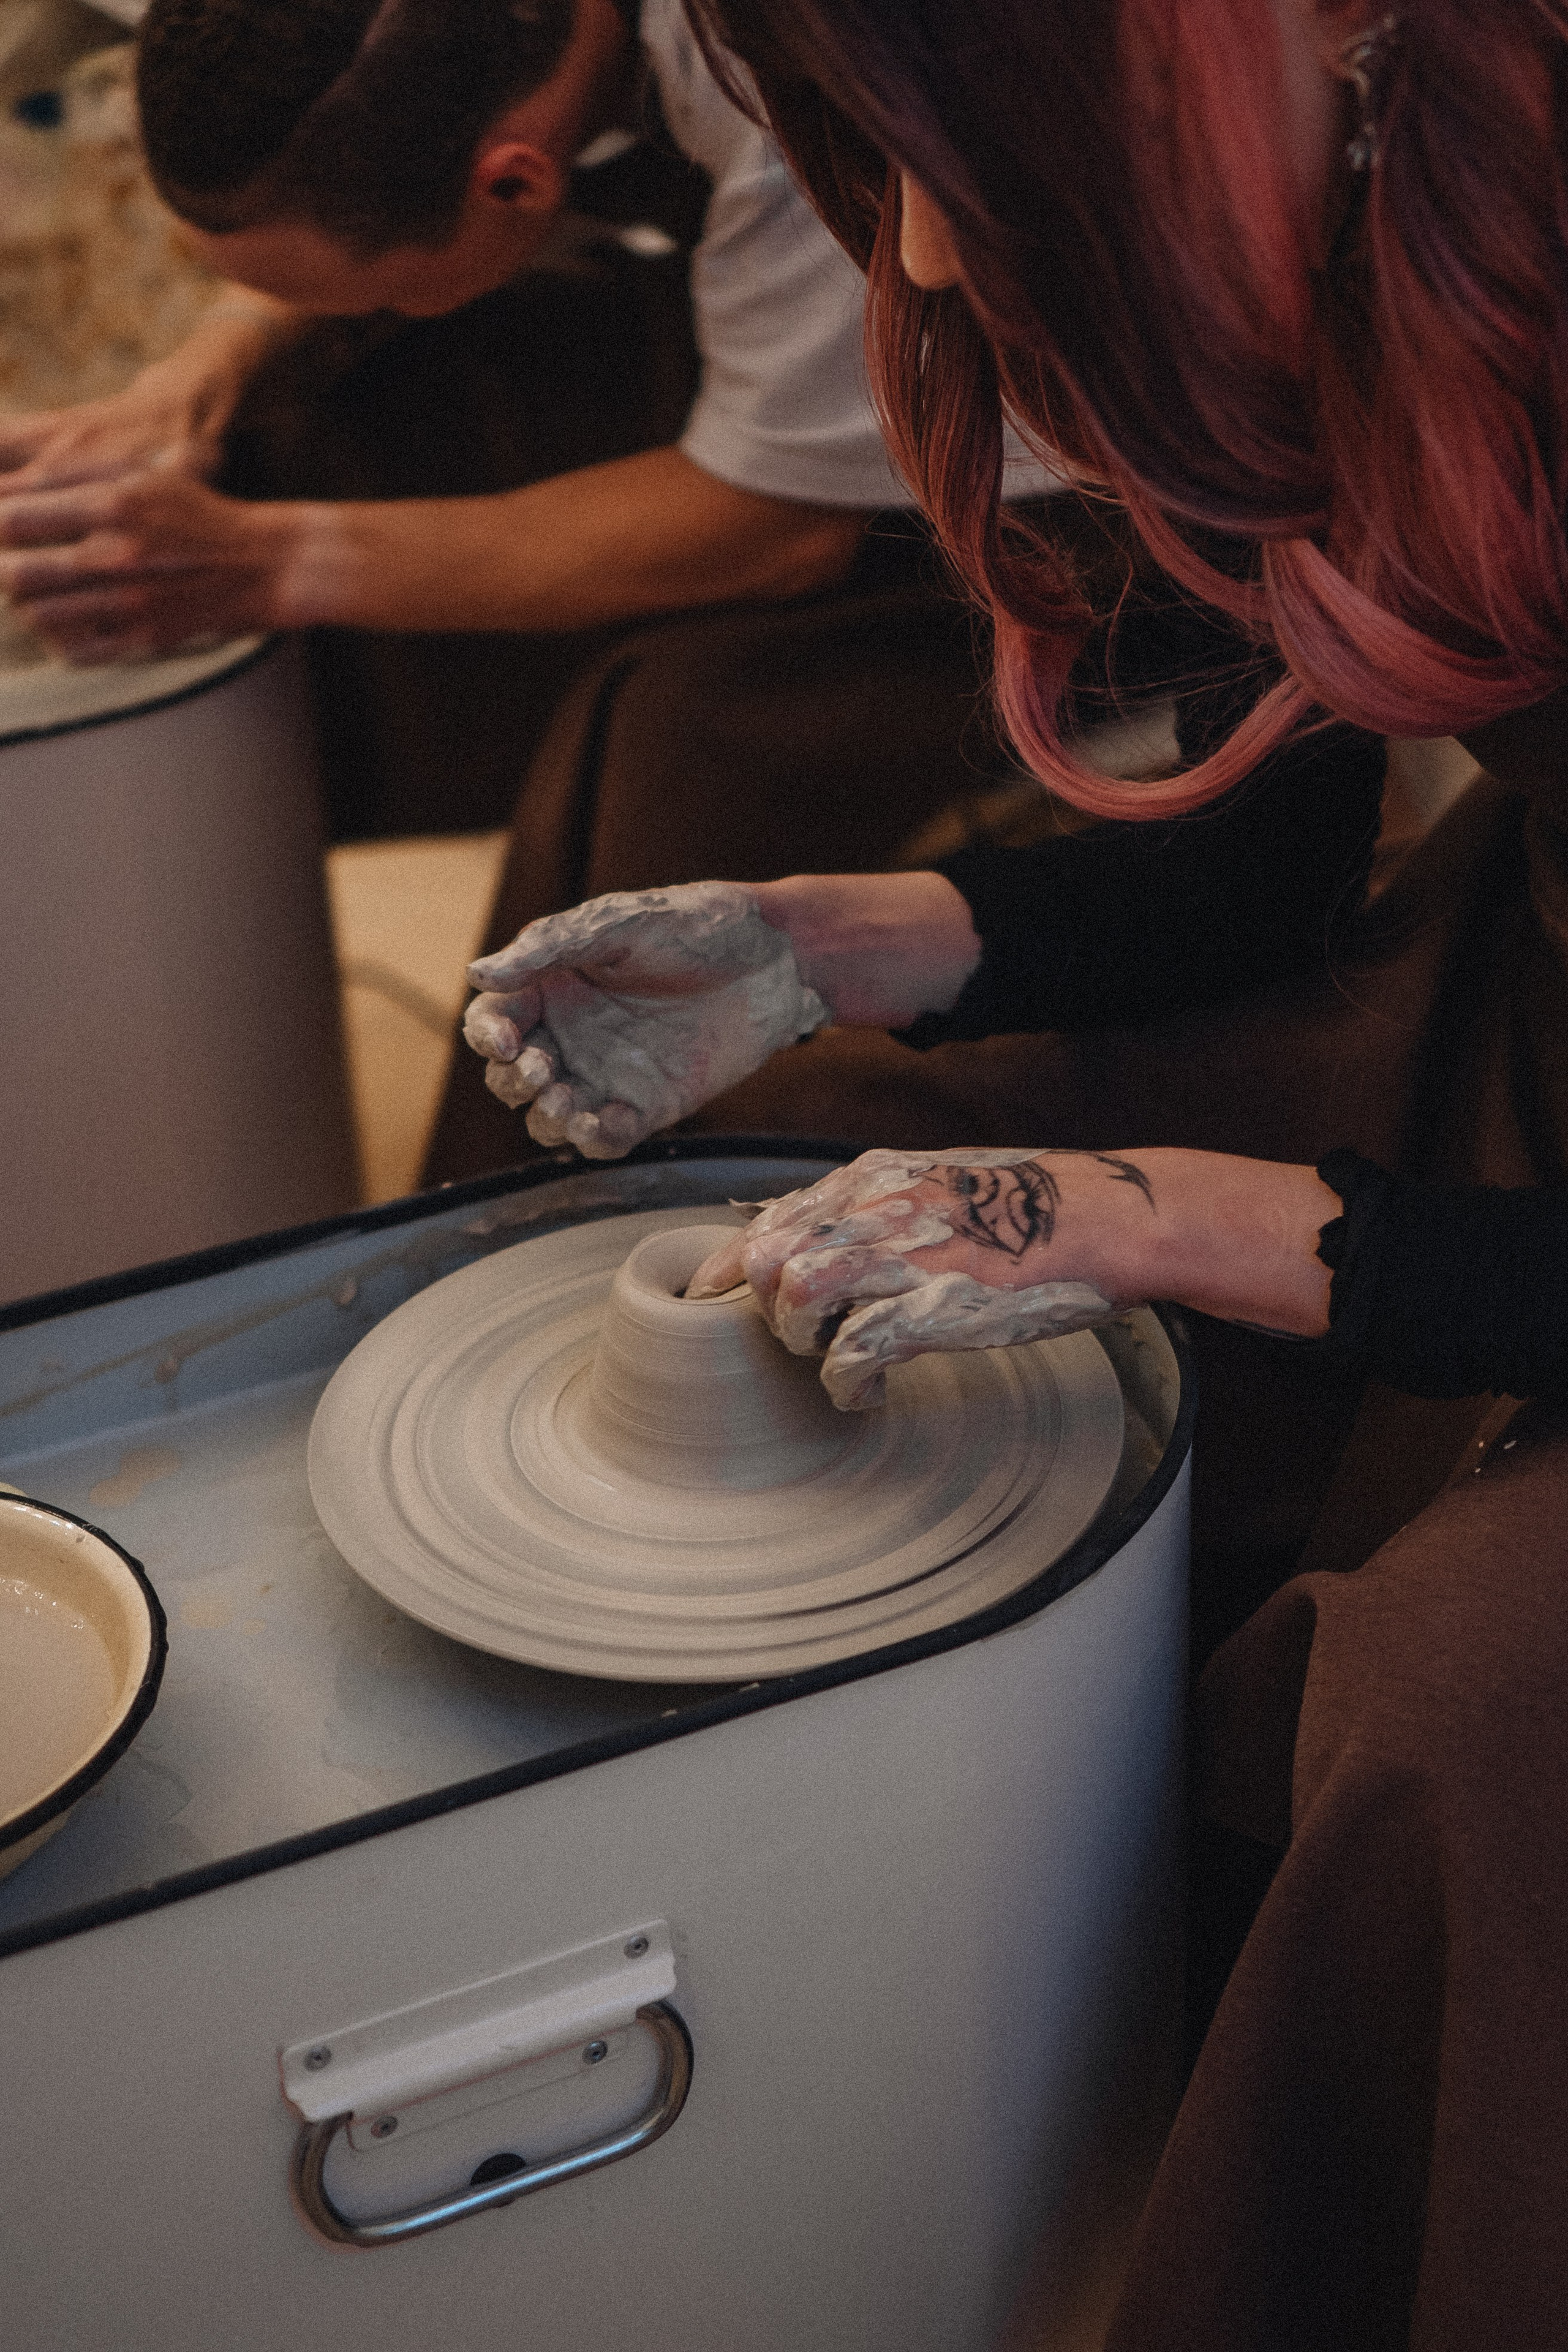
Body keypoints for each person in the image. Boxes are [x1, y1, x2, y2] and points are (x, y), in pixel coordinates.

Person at [451, 1, 1568, 2342]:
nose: (934, 248)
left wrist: (1159, 1215)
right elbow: (1272, 856)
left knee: (1470, 1693)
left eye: (962, 148)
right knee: (818, 1118)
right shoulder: (1371, 238)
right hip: (1525, 997)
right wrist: (837, 952)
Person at [0, 0, 1068, 851]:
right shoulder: (489, 49)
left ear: (517, 178)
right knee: (300, 416)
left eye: (372, 292)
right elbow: (348, 146)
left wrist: (264, 563)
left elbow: (778, 529)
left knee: (660, 759)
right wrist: (205, 363)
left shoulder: (789, 101)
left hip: (1097, 457)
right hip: (814, 334)